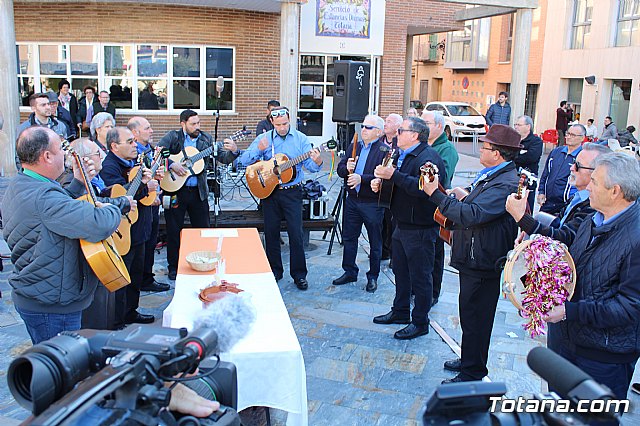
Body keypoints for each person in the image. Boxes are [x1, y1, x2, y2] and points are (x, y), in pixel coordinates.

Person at [2, 127, 121, 343]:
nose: (65, 156)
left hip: (40, 294)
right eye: (60, 150)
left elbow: (53, 213)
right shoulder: (43, 196)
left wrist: (77, 184)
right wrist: (111, 208)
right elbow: (98, 223)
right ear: (46, 156)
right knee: (62, 370)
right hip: (52, 305)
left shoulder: (22, 183)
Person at [421, 124, 521, 382]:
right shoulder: (493, 175)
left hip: (484, 260)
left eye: (486, 146)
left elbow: (472, 215)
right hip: (474, 257)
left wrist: (437, 196)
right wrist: (455, 195)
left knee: (477, 317)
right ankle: (469, 359)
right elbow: (474, 206)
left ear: (497, 154)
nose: (481, 149)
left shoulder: (505, 183)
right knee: (469, 314)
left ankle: (472, 372)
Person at [541, 153, 640, 401]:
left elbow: (629, 308)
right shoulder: (593, 218)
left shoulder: (636, 237)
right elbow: (575, 258)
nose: (587, 185)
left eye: (594, 181)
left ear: (615, 191)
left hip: (602, 358)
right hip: (567, 341)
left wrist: (569, 311)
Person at [371, 117, 446, 340]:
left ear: (414, 135)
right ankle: (401, 310)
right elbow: (398, 182)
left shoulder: (428, 158)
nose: (397, 133)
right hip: (402, 223)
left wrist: (393, 176)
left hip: (420, 227)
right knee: (400, 271)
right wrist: (382, 183)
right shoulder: (400, 153)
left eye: (401, 130)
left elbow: (424, 189)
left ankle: (420, 321)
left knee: (421, 276)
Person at [239, 106, 322, 290]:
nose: (282, 127)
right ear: (272, 123)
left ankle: (299, 275)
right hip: (269, 192)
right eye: (278, 125)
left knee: (296, 234)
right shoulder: (264, 138)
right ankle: (274, 271)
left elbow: (311, 166)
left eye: (285, 123)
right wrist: (258, 151)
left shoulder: (301, 139)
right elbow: (244, 161)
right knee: (271, 233)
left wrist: (317, 161)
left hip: (292, 192)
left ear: (289, 120)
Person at [159, 110, 239, 281]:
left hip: (198, 193)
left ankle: (204, 262)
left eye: (199, 123)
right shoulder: (173, 138)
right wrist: (172, 165)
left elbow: (222, 158)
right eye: (193, 124)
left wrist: (233, 151)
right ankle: (174, 267)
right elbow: (158, 154)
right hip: (175, 190)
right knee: (174, 230)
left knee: (203, 230)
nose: (197, 127)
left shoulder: (206, 139)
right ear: (183, 124)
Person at [68, 137, 136, 330]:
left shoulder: (96, 179)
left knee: (106, 307)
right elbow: (88, 208)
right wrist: (118, 206)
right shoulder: (70, 183)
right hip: (88, 261)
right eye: (98, 154)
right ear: (84, 159)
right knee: (95, 319)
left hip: (103, 247)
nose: (103, 157)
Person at [100, 127, 160, 327]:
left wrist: (150, 181)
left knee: (135, 275)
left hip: (138, 228)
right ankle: (116, 317)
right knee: (122, 277)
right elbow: (119, 196)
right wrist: (145, 187)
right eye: (130, 142)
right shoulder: (109, 167)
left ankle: (130, 311)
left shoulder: (133, 162)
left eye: (135, 141)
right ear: (114, 146)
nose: (135, 145)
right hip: (124, 232)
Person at [332, 115, 387, 293]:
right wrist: (346, 168)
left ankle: (373, 276)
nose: (363, 129)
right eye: (363, 126)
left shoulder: (384, 150)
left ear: (378, 132)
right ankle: (349, 271)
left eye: (368, 127)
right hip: (353, 200)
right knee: (349, 238)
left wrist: (362, 179)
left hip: (371, 203)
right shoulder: (354, 145)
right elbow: (341, 170)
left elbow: (384, 177)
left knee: (375, 241)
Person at [128, 116, 170, 293]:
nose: (152, 131)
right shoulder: (133, 153)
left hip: (153, 203)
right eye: (147, 128)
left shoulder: (152, 150)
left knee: (151, 242)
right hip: (140, 207)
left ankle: (147, 277)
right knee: (142, 245)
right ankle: (140, 281)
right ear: (135, 133)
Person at [421, 110, 459, 306]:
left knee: (435, 252)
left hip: (437, 206)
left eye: (426, 123)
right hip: (423, 206)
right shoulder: (426, 144)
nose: (423, 126)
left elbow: (441, 179)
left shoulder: (447, 149)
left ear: (439, 126)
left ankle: (434, 291)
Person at [538, 123, 584, 215]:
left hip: (567, 205)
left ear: (582, 138)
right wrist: (541, 191)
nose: (569, 137)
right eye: (568, 134)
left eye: (573, 135)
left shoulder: (583, 157)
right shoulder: (556, 152)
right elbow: (545, 174)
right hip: (548, 203)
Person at [380, 113, 403, 263]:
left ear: (397, 127)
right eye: (385, 121)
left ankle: (393, 254)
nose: (385, 124)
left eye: (389, 122)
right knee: (381, 221)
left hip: (393, 189)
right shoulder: (379, 141)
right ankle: (383, 251)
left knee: (391, 223)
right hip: (380, 187)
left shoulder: (399, 144)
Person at [513, 115, 543, 211]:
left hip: (527, 183)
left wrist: (515, 156)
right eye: (515, 124)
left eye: (519, 125)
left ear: (528, 126)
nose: (516, 127)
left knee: (526, 211)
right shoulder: (513, 140)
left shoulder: (536, 142)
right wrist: (520, 154)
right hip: (512, 181)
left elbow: (531, 157)